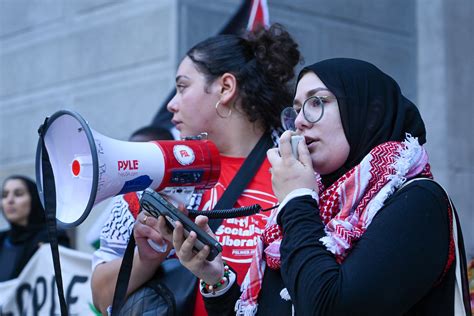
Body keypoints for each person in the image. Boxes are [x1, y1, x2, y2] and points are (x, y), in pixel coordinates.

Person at [172, 58, 472, 315]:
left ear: (368, 111)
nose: (300, 121)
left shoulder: (418, 201)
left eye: (317, 102)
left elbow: (328, 307)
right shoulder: (318, 204)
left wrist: (297, 199)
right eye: (297, 109)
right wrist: (216, 279)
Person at [91, 23, 301, 315]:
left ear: (225, 87)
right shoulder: (155, 171)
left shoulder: (296, 171)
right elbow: (101, 297)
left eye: (182, 86)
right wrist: (149, 257)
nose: (171, 105)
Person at [0, 175, 70, 281]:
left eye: (18, 194)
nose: (10, 200)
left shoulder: (52, 238)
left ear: (34, 199)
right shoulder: (2, 239)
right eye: (5, 195)